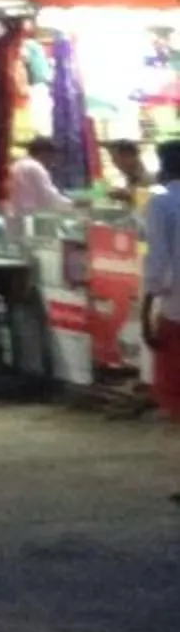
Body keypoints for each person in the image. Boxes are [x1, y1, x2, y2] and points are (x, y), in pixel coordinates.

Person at [140, 139, 180, 449]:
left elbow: (158, 264)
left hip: (176, 310)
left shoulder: (163, 201)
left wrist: (146, 310)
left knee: (175, 390)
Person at [5, 137, 71, 225]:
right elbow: (49, 197)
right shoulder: (36, 167)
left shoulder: (16, 165)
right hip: (29, 221)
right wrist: (73, 205)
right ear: (45, 154)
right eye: (52, 157)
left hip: (12, 217)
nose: (52, 163)